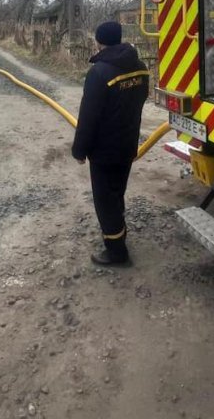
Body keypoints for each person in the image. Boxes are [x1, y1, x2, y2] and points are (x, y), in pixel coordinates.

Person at [71, 21, 149, 265]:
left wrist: (79, 149)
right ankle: (119, 231)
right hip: (127, 144)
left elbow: (89, 115)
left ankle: (116, 252)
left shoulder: (100, 72)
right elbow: (140, 99)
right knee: (117, 192)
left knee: (105, 199)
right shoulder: (141, 67)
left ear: (99, 41)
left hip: (104, 150)